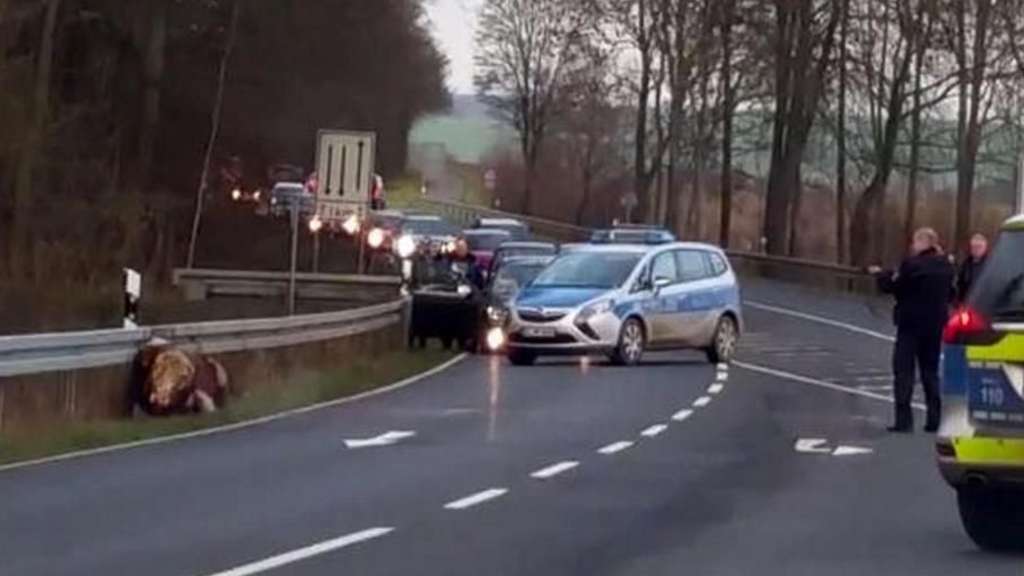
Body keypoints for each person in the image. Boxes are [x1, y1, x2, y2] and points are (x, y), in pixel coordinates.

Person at [869, 228, 955, 433]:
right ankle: (934, 419)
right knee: (930, 372)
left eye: (915, 242)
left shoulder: (912, 264)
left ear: (923, 242)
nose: (913, 246)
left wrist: (881, 275)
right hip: (935, 325)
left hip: (910, 324)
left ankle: (904, 420)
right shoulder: (946, 266)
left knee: (904, 371)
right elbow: (952, 293)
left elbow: (894, 286)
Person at [956, 233, 989, 303]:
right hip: (966, 302)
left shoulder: (990, 264)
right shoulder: (966, 264)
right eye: (974, 247)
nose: (976, 250)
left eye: (979, 247)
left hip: (983, 303)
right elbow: (960, 283)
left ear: (985, 248)